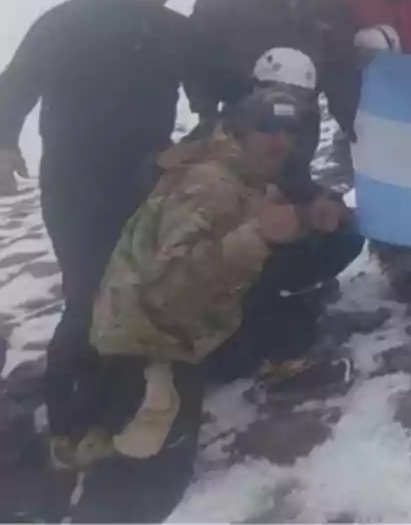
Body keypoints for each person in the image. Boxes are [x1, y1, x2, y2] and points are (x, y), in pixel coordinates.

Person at [56, 88, 359, 521]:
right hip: (147, 342)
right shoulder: (209, 184)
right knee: (145, 487)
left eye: (290, 129)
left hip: (185, 332)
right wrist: (258, 236)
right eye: (268, 127)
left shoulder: (247, 175)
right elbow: (166, 291)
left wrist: (309, 220)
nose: (282, 140)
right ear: (238, 128)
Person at [0, 0, 196, 447]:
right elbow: (14, 84)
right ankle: (70, 422)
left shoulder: (177, 33)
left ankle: (126, 391)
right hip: (74, 180)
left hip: (145, 178)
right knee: (88, 291)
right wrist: (4, 143)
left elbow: (216, 89)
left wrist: (204, 140)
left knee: (140, 283)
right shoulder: (68, 22)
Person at [189, 0, 359, 205]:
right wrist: (205, 110)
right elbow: (198, 52)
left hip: (302, 120)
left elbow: (340, 64)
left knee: (291, 193)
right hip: (241, 115)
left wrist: (348, 117)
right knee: (236, 195)